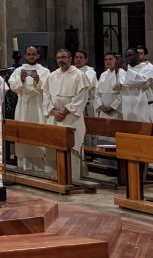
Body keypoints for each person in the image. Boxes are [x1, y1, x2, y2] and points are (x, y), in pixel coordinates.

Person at [42, 49, 91, 181]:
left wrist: (64, 111)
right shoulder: (52, 76)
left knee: (72, 148)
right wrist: (53, 111)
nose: (61, 60)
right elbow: (45, 96)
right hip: (54, 118)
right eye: (58, 58)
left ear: (70, 59)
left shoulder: (79, 75)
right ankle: (53, 177)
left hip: (71, 117)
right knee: (52, 147)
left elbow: (81, 98)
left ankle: (72, 178)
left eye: (64, 57)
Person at [8, 46, 51, 174]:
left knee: (38, 134)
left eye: (33, 54)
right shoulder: (19, 70)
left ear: (38, 56)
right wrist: (21, 80)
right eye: (28, 54)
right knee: (22, 134)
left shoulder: (45, 71)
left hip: (38, 106)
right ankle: (23, 167)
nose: (31, 56)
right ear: (25, 56)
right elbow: (12, 87)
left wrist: (38, 81)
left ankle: (40, 168)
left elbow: (48, 89)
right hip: (23, 106)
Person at [119, 48, 153, 123]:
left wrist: (127, 70)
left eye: (130, 55)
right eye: (126, 56)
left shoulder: (148, 68)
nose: (128, 58)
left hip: (144, 106)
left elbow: (143, 83)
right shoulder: (122, 71)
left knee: (146, 132)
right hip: (127, 108)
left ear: (137, 56)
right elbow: (118, 86)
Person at [131, 45, 153, 123]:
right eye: (136, 53)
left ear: (145, 55)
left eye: (140, 53)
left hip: (147, 105)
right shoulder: (131, 67)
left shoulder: (149, 68)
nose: (138, 55)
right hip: (134, 106)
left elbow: (143, 84)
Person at [95, 52, 124, 120]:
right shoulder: (103, 75)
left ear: (116, 60)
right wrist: (100, 105)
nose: (108, 61)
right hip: (103, 110)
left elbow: (123, 93)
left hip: (116, 111)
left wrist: (113, 107)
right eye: (106, 59)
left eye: (110, 59)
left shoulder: (121, 73)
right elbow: (97, 93)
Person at [74, 50, 98, 117]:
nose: (78, 59)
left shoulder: (90, 72)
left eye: (81, 57)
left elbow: (86, 86)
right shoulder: (70, 70)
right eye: (76, 57)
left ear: (86, 60)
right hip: (73, 104)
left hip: (86, 104)